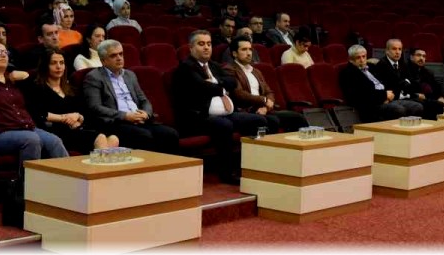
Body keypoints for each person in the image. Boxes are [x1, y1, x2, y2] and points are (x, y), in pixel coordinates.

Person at [170, 30, 268, 183]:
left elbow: (232, 82)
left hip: (224, 114)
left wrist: (216, 83)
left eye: (209, 44)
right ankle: (226, 173)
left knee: (258, 121)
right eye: (201, 44)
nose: (206, 47)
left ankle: (252, 165)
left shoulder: (214, 66)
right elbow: (202, 86)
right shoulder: (185, 68)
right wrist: (221, 88)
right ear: (191, 47)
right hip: (197, 117)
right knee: (224, 125)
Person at [82, 39, 179, 154]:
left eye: (121, 54)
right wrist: (125, 116)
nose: (119, 58)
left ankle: (169, 165)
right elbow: (95, 107)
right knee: (144, 136)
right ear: (103, 61)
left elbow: (144, 100)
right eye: (113, 55)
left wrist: (146, 113)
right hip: (116, 123)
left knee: (170, 134)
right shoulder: (94, 77)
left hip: (139, 120)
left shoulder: (130, 75)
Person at [22, 48, 109, 154]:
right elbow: (38, 114)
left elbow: (84, 112)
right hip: (55, 131)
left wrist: (78, 117)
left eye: (61, 63)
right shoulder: (37, 88)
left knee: (113, 139)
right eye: (53, 63)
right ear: (45, 66)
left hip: (76, 129)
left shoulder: (70, 88)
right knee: (100, 138)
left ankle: (97, 163)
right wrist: (64, 118)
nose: (58, 66)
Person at [226, 37, 303, 132]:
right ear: (234, 53)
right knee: (273, 121)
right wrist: (264, 100)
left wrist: (265, 107)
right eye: (244, 49)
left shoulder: (256, 71)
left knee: (297, 118)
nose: (249, 53)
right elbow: (239, 94)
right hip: (246, 111)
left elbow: (269, 92)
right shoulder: (230, 70)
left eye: (250, 49)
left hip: (262, 109)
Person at [339, 44, 420, 122]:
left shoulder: (371, 67)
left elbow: (387, 82)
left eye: (364, 56)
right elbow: (361, 95)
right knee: (398, 109)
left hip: (388, 99)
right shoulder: (348, 73)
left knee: (417, 106)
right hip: (371, 105)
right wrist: (384, 96)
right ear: (351, 59)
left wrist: (391, 95)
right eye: (358, 57)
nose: (362, 60)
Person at [369, 39, 424, 117]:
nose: (397, 52)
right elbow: (396, 85)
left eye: (400, 49)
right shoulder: (382, 65)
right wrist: (407, 86)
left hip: (405, 96)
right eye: (394, 49)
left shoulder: (403, 64)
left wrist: (408, 86)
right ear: (387, 51)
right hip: (393, 98)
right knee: (417, 106)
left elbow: (413, 84)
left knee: (428, 104)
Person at [409, 47, 444, 119]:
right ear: (411, 57)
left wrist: (442, 97)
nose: (421, 58)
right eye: (418, 55)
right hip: (414, 98)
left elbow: (438, 86)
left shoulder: (428, 72)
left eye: (424, 56)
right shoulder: (405, 70)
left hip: (430, 98)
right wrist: (416, 94)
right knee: (437, 105)